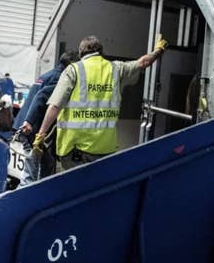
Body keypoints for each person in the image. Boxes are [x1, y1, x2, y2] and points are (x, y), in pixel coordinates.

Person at [33, 35, 168, 171]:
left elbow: (55, 105)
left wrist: (41, 134)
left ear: (81, 52)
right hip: (105, 150)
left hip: (75, 149)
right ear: (101, 51)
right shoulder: (116, 69)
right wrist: (158, 50)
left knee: (75, 188)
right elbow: (143, 62)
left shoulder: (73, 70)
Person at [14, 50, 78, 185]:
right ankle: (28, 200)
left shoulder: (46, 75)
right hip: (32, 130)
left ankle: (39, 193)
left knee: (43, 165)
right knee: (32, 174)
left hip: (26, 128)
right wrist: (30, 122)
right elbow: (41, 97)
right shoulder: (59, 78)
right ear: (71, 65)